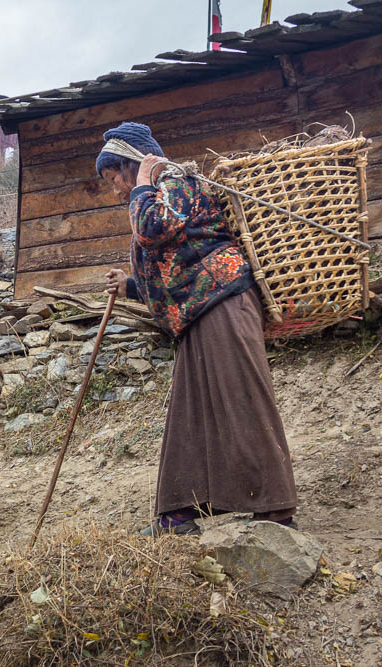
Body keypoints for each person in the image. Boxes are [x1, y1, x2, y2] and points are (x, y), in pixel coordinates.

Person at [96, 122, 298, 536]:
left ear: (130, 164)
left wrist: (142, 186)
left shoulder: (175, 181)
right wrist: (131, 286)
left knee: (242, 401)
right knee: (192, 415)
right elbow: (178, 259)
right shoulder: (157, 191)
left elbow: (154, 230)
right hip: (196, 312)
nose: (115, 189)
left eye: (114, 177)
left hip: (223, 303)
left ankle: (275, 510)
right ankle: (181, 512)